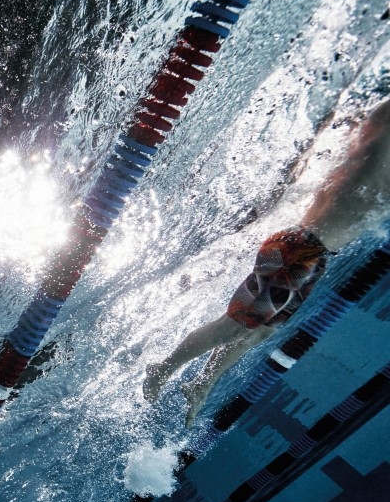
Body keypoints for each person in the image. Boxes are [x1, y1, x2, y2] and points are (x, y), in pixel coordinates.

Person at [143, 96, 390, 428]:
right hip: (301, 250)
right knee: (233, 326)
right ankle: (164, 368)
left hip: (309, 257)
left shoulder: (377, 129)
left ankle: (202, 385)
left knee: (256, 333)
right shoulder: (381, 137)